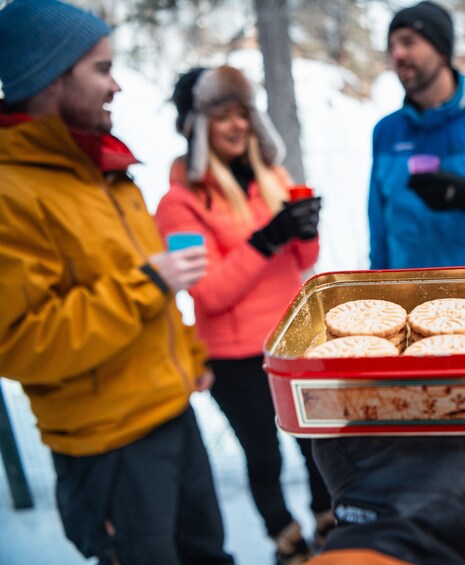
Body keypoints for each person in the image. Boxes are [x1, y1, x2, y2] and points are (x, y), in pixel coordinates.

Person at [0, 1, 233, 564]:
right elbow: (19, 343)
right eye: (102, 69)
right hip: (108, 448)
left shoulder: (107, 171)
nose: (117, 86)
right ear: (50, 78)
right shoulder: (12, 193)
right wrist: (147, 282)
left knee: (209, 555)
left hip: (172, 414)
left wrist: (188, 352)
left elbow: (144, 291)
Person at [312, 3, 465, 565]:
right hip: (408, 319)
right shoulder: (387, 132)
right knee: (426, 435)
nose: (399, 55)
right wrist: (376, 296)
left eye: (411, 41)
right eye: (393, 43)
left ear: (441, 47)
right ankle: (440, 532)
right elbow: (379, 222)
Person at [154, 65, 328, 565]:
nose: (237, 126)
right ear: (198, 125)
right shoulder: (180, 203)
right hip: (234, 355)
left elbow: (303, 261)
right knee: (265, 455)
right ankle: (286, 537)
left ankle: (327, 522)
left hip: (292, 340)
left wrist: (304, 228)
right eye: (223, 116)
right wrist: (268, 237)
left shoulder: (272, 178)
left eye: (243, 114)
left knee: (315, 445)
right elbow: (207, 293)